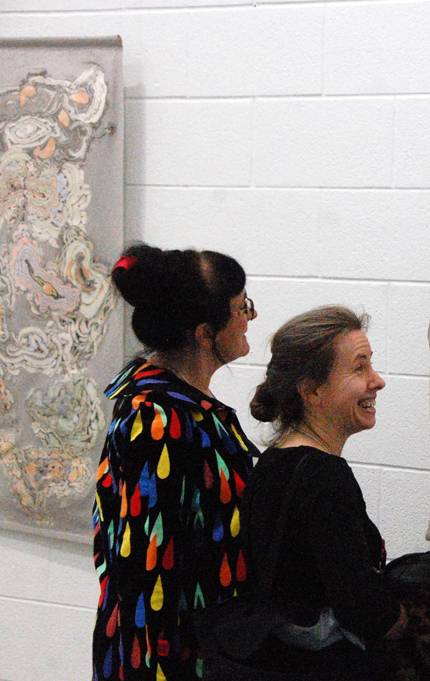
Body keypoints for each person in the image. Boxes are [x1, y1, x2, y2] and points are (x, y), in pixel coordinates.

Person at [92, 243, 259, 681]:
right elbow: (146, 566)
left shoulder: (186, 407)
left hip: (207, 644)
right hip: (169, 658)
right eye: (242, 308)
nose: (250, 318)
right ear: (206, 332)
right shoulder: (157, 419)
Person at [242, 306, 405, 679]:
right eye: (359, 368)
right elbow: (359, 603)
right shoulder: (323, 476)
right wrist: (409, 619)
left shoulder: (273, 462)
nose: (377, 381)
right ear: (312, 390)